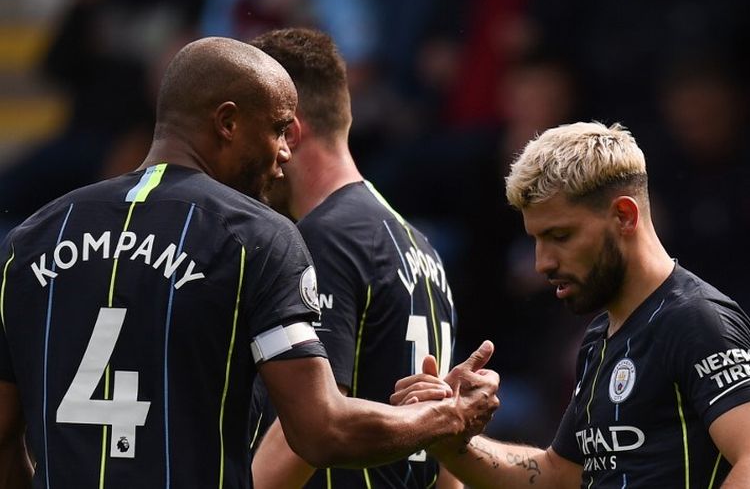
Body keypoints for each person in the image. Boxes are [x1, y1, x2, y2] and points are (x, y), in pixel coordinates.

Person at [0, 36, 500, 489]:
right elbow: (320, 432)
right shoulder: (258, 238)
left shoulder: (31, 238)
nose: (286, 152)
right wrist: (446, 417)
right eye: (280, 129)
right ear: (228, 122)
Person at [392, 121, 750, 487]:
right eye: (535, 239)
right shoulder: (600, 338)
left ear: (624, 216)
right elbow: (557, 474)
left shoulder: (696, 320)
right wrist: (449, 436)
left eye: (560, 236)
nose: (542, 263)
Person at [245, 28, 462, 489]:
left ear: (290, 131)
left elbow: (304, 430)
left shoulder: (323, 241)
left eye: (252, 130)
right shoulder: (419, 246)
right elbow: (445, 458)